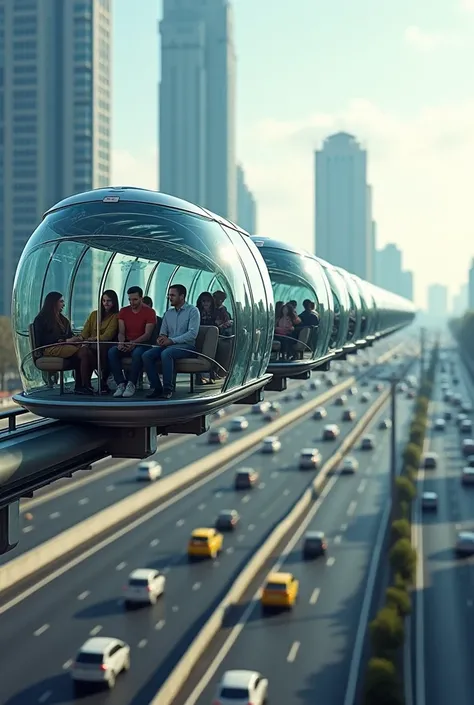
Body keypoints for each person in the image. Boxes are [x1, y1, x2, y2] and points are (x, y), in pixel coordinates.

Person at [143, 284, 200, 400]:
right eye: (169, 295)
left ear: (182, 296)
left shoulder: (193, 311)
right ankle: (157, 387)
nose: (170, 297)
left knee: (166, 353)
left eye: (173, 295)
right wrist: (161, 338)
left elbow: (192, 334)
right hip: (169, 346)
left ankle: (167, 389)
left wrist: (172, 340)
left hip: (187, 347)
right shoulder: (168, 314)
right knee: (146, 355)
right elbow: (163, 332)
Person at [108, 286, 157, 398]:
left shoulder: (149, 312)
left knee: (137, 353)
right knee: (112, 352)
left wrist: (133, 343)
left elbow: (147, 334)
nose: (132, 302)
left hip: (143, 344)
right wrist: (121, 342)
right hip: (127, 343)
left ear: (141, 298)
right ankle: (121, 383)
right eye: (130, 299)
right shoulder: (124, 311)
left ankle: (131, 383)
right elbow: (121, 332)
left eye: (135, 299)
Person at [33, 291, 85, 393]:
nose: (64, 304)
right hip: (49, 349)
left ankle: (82, 385)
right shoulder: (41, 319)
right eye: (61, 302)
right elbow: (42, 340)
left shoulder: (63, 320)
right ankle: (80, 386)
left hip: (63, 347)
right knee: (82, 352)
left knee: (84, 350)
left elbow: (69, 335)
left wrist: (76, 339)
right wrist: (65, 340)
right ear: (53, 303)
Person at [74, 290, 119, 393]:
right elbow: (85, 332)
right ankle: (85, 384)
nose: (106, 303)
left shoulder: (116, 316)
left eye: (109, 301)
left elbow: (108, 335)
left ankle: (97, 381)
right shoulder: (94, 315)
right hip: (92, 345)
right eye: (103, 300)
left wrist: (93, 339)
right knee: (84, 352)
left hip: (107, 345)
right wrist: (81, 339)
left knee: (98, 349)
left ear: (114, 302)